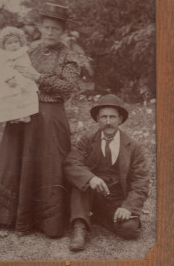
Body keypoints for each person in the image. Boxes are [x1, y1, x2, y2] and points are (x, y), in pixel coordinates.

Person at [0, 3, 82, 238]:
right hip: (22, 112)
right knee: (18, 160)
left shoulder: (69, 56)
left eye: (56, 29)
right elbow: (7, 74)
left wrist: (38, 77)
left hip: (50, 116)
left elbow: (67, 88)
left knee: (49, 164)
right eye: (47, 27)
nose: (50, 32)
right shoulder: (28, 52)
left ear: (63, 32)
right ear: (40, 28)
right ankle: (11, 216)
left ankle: (48, 221)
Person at [63, 94, 149, 251]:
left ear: (120, 119)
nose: (108, 122)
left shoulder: (133, 146)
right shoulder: (87, 140)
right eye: (104, 117)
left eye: (112, 117)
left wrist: (128, 207)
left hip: (116, 199)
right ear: (97, 119)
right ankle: (80, 227)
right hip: (90, 194)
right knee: (80, 183)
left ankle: (100, 217)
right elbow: (71, 163)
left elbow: (141, 180)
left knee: (130, 230)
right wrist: (90, 178)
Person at [0, 26, 40, 124]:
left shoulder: (22, 53)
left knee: (25, 95)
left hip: (23, 77)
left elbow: (27, 64)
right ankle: (12, 116)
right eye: (9, 43)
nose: (13, 45)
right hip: (10, 79)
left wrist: (33, 76)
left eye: (16, 42)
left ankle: (25, 114)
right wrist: (8, 79)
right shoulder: (4, 55)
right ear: (4, 45)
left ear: (20, 42)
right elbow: (1, 69)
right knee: (11, 97)